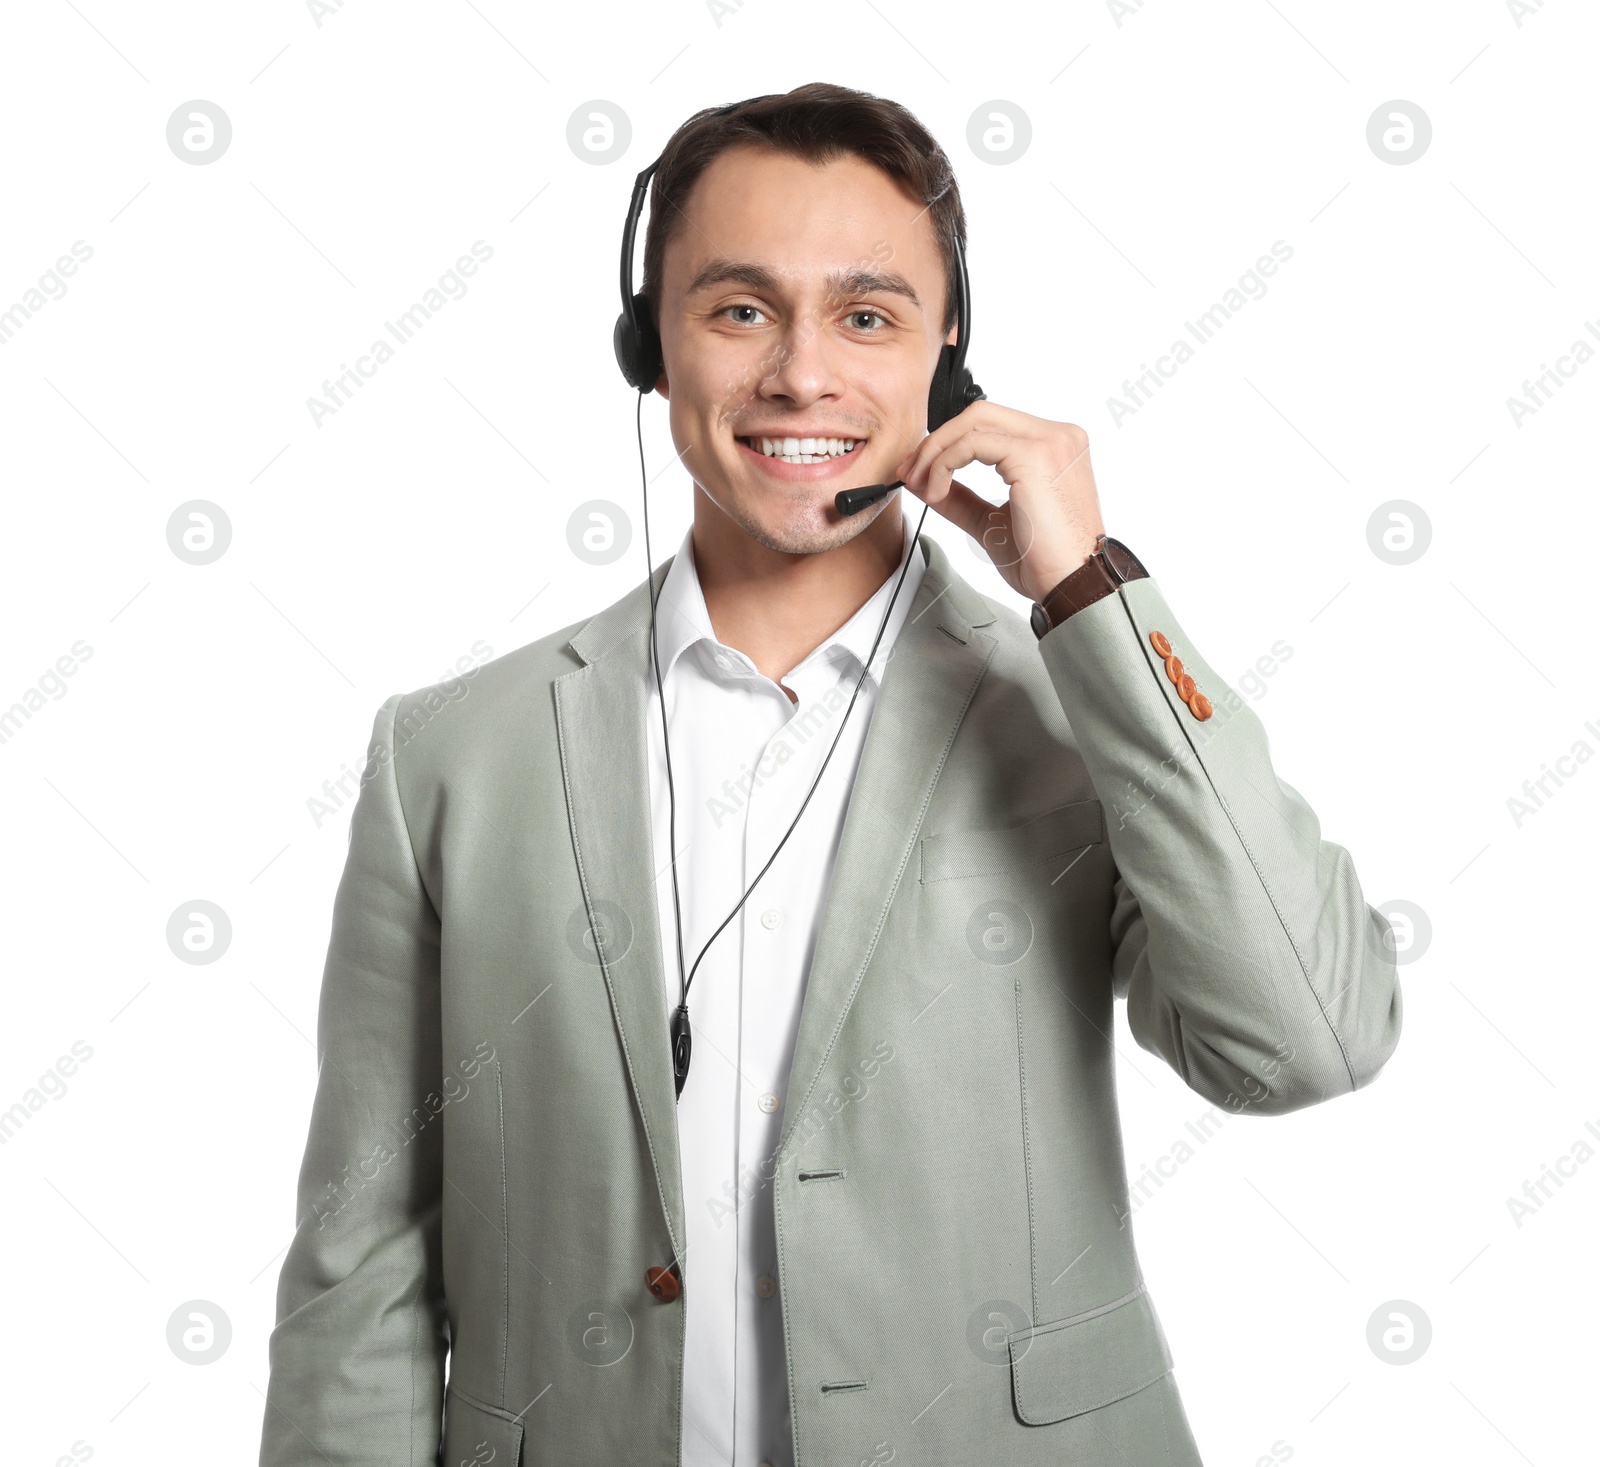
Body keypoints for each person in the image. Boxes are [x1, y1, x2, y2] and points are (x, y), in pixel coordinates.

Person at [259, 83, 1402, 1467]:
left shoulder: (1085, 715)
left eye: (867, 317)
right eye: (740, 309)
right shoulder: (449, 754)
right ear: (650, 344)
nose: (803, 374)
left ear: (948, 357)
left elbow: (1307, 1045)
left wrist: (1088, 594)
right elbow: (363, 1264)